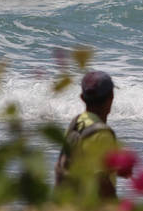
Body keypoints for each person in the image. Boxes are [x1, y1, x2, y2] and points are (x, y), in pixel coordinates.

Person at [54, 70, 132, 198]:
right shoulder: (102, 133)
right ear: (111, 96)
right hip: (89, 209)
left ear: (82, 98)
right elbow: (101, 182)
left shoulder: (77, 122)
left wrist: (116, 169)